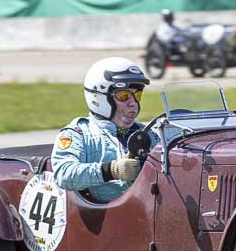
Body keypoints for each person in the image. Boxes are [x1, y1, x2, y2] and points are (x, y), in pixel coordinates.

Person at [52, 57, 159, 202]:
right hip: (107, 217)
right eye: (124, 95)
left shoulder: (148, 133)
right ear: (99, 97)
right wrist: (111, 170)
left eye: (137, 95)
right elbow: (62, 174)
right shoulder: (79, 133)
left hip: (148, 211)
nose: (133, 103)